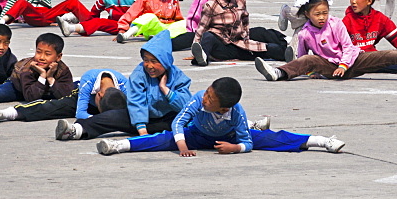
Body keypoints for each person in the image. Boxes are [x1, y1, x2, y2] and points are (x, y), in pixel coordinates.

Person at [96, 76, 344, 156]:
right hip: (196, 136)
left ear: (224, 108)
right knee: (162, 139)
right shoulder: (198, 98)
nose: (206, 98)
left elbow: (246, 142)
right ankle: (119, 145)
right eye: (208, 94)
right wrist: (181, 144)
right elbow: (179, 121)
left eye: (211, 100)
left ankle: (322, 141)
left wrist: (235, 147)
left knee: (271, 138)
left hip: (227, 137)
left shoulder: (235, 113)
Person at [256, 0, 397, 81]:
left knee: (395, 55)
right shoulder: (305, 33)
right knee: (307, 59)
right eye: (317, 14)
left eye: (325, 13)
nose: (322, 17)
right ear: (307, 15)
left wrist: (344, 65)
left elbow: (347, 47)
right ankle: (278, 73)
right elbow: (304, 57)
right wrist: (311, 72)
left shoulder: (336, 23)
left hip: (354, 60)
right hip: (330, 67)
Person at [53, 30, 191, 141]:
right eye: (146, 60)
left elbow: (185, 104)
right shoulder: (140, 74)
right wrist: (142, 130)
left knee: (185, 119)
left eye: (154, 61)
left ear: (166, 61)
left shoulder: (178, 77)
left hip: (166, 119)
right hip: (138, 119)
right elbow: (137, 100)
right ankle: (75, 130)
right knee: (111, 117)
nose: (149, 65)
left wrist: (166, 90)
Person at [190, 0, 288, 66]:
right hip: (222, 46)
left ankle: (287, 49)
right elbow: (201, 28)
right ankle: (202, 57)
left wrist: (247, 41)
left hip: (239, 41)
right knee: (208, 36)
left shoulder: (241, 0)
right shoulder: (210, 5)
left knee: (262, 35)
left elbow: (245, 21)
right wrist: (196, 47)